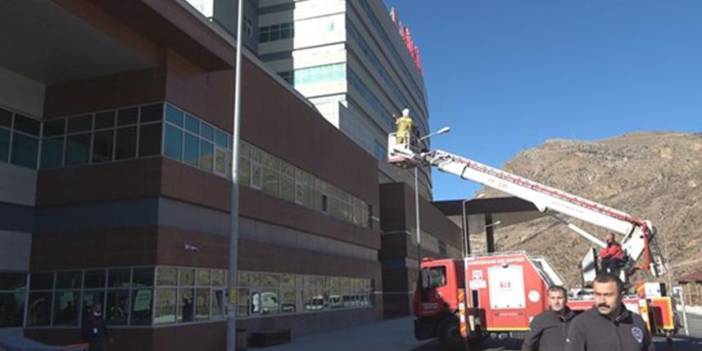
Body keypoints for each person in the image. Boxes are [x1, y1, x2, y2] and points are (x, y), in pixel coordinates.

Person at [565, 273, 654, 351]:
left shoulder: (636, 321)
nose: (602, 301)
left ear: (621, 295)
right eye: (597, 294)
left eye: (608, 295)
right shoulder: (581, 324)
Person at [521, 286, 575, 351]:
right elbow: (528, 345)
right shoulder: (540, 320)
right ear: (549, 300)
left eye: (559, 298)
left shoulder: (576, 319)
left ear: (566, 299)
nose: (556, 302)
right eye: (553, 298)